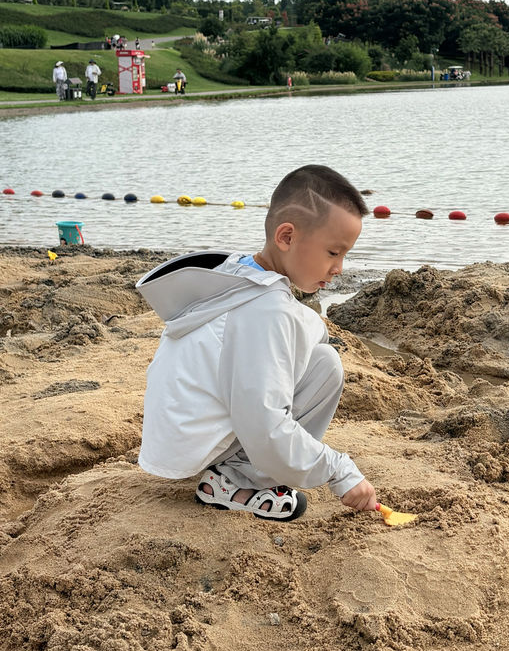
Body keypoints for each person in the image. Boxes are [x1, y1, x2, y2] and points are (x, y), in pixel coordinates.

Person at [136, 164, 377, 522]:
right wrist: (339, 470)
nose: (339, 267)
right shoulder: (266, 312)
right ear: (287, 237)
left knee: (324, 363)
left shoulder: (240, 273)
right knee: (325, 369)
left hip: (180, 433)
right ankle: (232, 482)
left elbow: (289, 325)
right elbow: (266, 426)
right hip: (197, 446)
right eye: (332, 253)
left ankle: (235, 469)